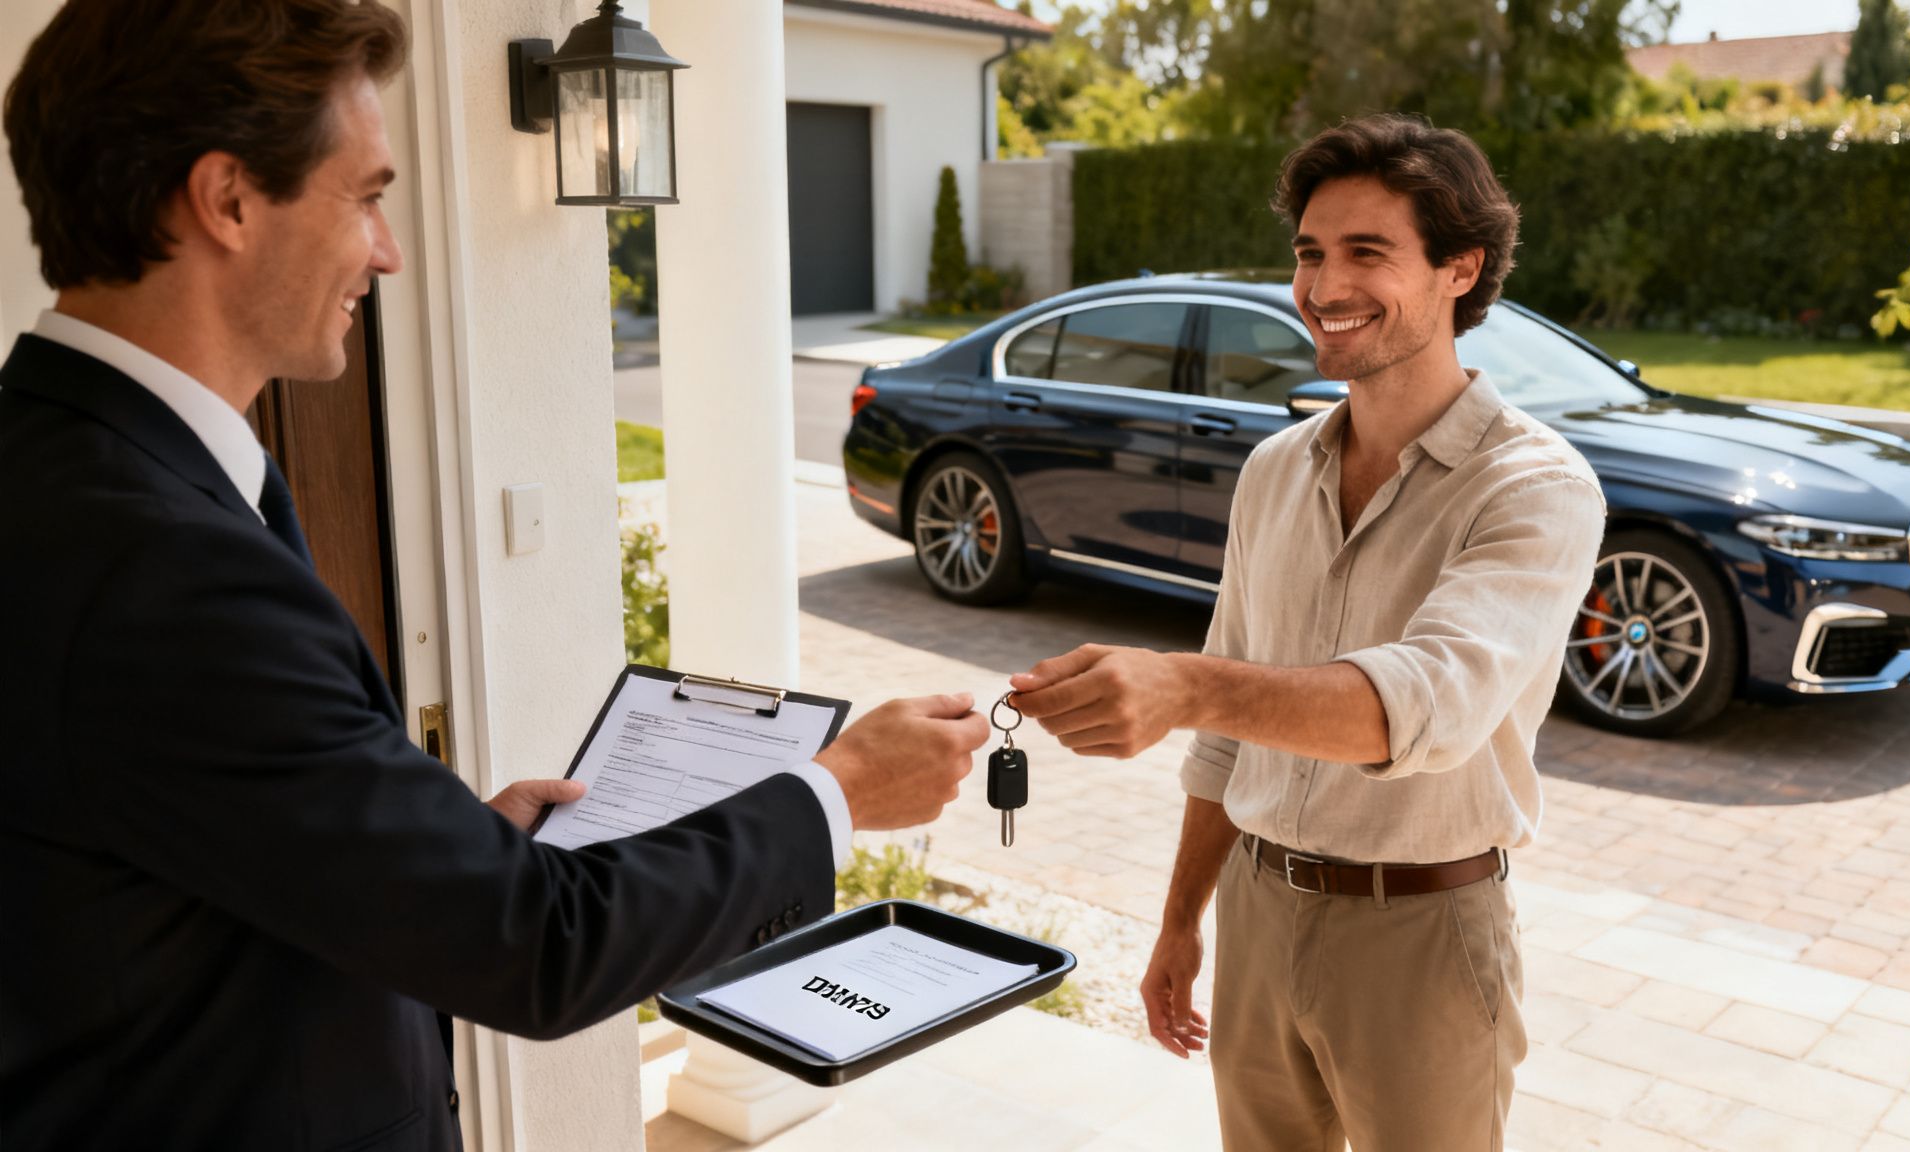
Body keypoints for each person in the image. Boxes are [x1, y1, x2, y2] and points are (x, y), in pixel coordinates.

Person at [0, 2, 987, 1148]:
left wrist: (437, 850)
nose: (388, 249)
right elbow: (538, 949)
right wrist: (841, 788)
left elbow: (174, 841)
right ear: (226, 199)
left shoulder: (59, 468)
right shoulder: (163, 566)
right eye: (366, 196)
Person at [1008, 114, 1606, 1152]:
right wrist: (1179, 920)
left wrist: (1183, 684)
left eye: (1366, 253)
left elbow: (1427, 706)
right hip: (1255, 912)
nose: (1323, 286)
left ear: (1457, 269)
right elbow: (1226, 739)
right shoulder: (1272, 471)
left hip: (1420, 932)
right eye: (1309, 253)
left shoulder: (1533, 487)